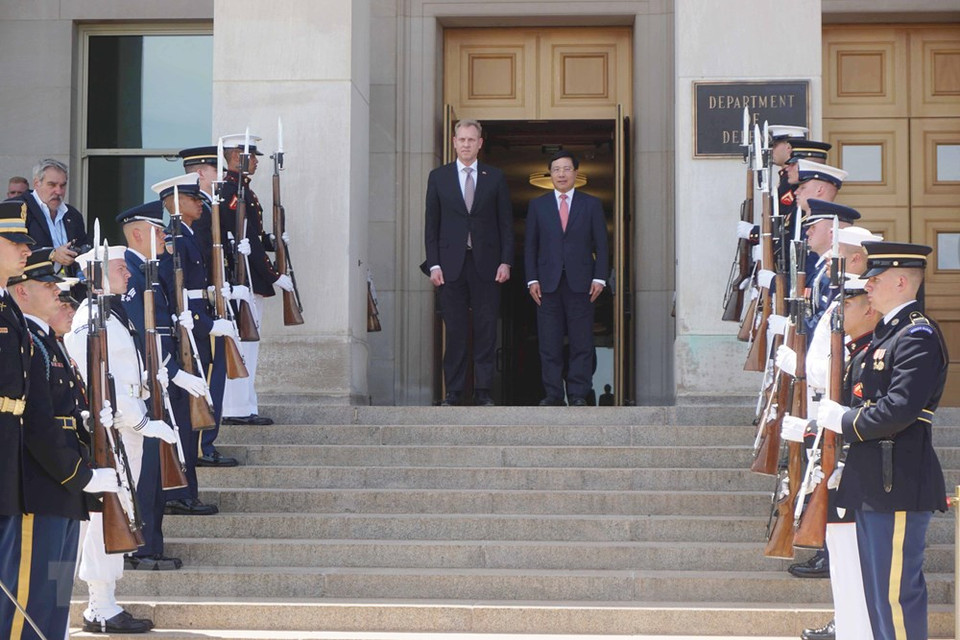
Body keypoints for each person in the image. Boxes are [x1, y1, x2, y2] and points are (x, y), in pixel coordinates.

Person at [817, 241, 948, 640]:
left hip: (898, 482)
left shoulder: (917, 336)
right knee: (878, 597)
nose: (868, 287)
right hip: (874, 481)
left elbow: (899, 410)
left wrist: (846, 421)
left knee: (896, 595)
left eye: (875, 280)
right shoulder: (886, 337)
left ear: (902, 281)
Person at [0, 234, 114, 640]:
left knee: (56, 591)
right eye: (50, 288)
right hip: (44, 483)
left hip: (62, 487)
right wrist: (77, 474)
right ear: (22, 293)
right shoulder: (29, 342)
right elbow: (37, 421)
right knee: (30, 595)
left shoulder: (47, 342)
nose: (61, 298)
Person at [65, 244, 180, 633]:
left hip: (124, 432)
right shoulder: (88, 321)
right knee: (102, 521)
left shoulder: (112, 316)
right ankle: (100, 606)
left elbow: (125, 374)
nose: (127, 273)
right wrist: (142, 423)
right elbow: (98, 386)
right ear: (97, 273)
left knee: (116, 516)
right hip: (110, 435)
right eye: (119, 268)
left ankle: (102, 604)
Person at [118, 201, 220, 516]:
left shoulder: (146, 270)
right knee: (156, 456)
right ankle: (170, 504)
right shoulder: (132, 275)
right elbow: (148, 336)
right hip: (158, 376)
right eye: (157, 230)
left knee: (182, 436)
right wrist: (175, 373)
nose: (165, 236)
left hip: (167, 370)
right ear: (137, 234)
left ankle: (176, 495)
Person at [423, 119, 513, 406]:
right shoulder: (439, 177)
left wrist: (506, 261)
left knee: (486, 328)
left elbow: (506, 224)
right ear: (453, 142)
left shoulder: (495, 177)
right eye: (461, 139)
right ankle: (454, 391)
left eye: (471, 140)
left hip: (487, 263)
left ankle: (484, 391)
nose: (466, 144)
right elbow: (431, 226)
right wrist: (434, 264)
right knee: (456, 329)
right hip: (450, 266)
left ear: (480, 143)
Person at [153, 174, 238, 467]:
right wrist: (206, 324)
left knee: (207, 390)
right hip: (190, 331)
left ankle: (201, 449)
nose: (200, 205)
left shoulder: (187, 235)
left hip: (198, 327)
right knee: (196, 397)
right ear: (175, 203)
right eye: (193, 199)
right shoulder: (175, 240)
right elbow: (173, 292)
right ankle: (199, 453)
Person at [525, 150, 609, 407]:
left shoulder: (591, 204)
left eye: (566, 169)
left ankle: (578, 393)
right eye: (556, 169)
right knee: (549, 342)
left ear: (575, 173)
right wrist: (531, 280)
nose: (561, 174)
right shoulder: (537, 205)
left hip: (582, 284)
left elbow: (602, 245)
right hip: (547, 284)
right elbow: (530, 246)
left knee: (581, 341)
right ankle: (552, 394)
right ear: (550, 173)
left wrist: (600, 279)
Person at [218, 134, 287, 425]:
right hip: (241, 279)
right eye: (252, 156)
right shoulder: (232, 192)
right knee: (243, 345)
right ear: (236, 157)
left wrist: (273, 240)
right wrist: (274, 274)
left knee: (250, 346)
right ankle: (236, 408)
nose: (257, 161)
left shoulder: (243, 190)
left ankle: (246, 405)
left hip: (248, 278)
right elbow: (243, 240)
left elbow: (254, 237)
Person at [18, 159, 90, 277]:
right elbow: (13, 248)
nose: (59, 191)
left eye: (63, 185)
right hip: (29, 287)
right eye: (52, 185)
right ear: (36, 183)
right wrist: (52, 254)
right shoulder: (19, 209)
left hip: (68, 289)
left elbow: (84, 247)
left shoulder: (72, 214)